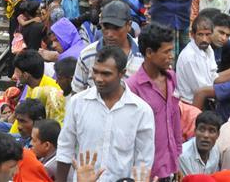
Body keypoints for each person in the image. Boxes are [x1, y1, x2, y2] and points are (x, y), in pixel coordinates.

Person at [55, 46, 155, 182]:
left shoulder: (141, 111)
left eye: (106, 74)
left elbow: (144, 160)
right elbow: (65, 149)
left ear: (122, 73)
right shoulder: (77, 103)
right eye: (95, 72)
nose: (98, 79)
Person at [128, 22, 182, 180]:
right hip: (146, 172)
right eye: (166, 52)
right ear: (150, 52)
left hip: (169, 165)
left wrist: (176, 159)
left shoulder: (172, 78)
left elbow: (174, 120)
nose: (171, 56)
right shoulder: (133, 87)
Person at [179, 111, 222, 175]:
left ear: (218, 134)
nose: (206, 135)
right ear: (195, 131)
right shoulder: (183, 155)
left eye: (211, 131)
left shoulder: (216, 150)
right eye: (202, 129)